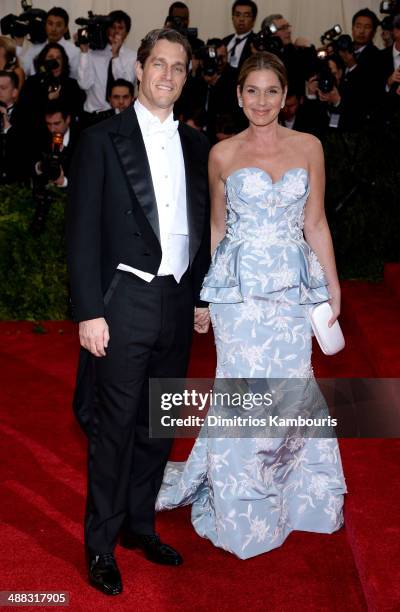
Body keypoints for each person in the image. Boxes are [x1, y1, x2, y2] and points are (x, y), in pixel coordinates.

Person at [156, 52, 347, 559]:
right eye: (252, 91)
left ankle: (292, 491)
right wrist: (206, 294)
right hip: (239, 296)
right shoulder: (222, 153)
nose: (262, 101)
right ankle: (241, 500)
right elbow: (218, 229)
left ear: (286, 97)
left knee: (292, 389)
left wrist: (332, 285)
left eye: (272, 92)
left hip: (290, 290)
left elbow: (317, 223)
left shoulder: (309, 146)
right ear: (239, 96)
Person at [66, 28, 210, 595]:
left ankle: (139, 525)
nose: (168, 75)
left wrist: (199, 295)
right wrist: (88, 311)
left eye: (178, 67)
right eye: (159, 64)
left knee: (159, 424)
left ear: (186, 75)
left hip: (177, 301)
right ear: (140, 67)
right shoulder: (102, 139)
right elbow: (80, 234)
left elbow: (204, 227)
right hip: (124, 301)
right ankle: (100, 544)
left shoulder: (199, 146)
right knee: (116, 429)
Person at [17, 42, 85, 139]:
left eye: (58, 58)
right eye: (50, 58)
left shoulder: (71, 84)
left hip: (65, 137)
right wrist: (46, 98)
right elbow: (24, 112)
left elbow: (76, 114)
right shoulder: (32, 83)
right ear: (43, 62)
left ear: (64, 61)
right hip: (36, 136)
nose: (55, 63)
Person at [78, 10, 136, 116]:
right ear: (106, 29)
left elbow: (124, 86)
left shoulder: (132, 57)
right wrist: (84, 52)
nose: (116, 31)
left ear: (127, 33)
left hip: (119, 113)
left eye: (120, 28)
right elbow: (84, 84)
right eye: (112, 27)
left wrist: (116, 56)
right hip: (93, 114)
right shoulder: (91, 53)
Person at [21, 7, 79, 78]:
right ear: (45, 25)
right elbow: (22, 72)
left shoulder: (74, 52)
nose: (53, 29)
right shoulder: (34, 48)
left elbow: (75, 81)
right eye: (50, 24)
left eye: (58, 25)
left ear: (66, 29)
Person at [223, 0, 257, 70]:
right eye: (237, 15)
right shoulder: (225, 41)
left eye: (246, 15)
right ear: (232, 18)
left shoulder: (256, 42)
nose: (241, 19)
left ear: (253, 20)